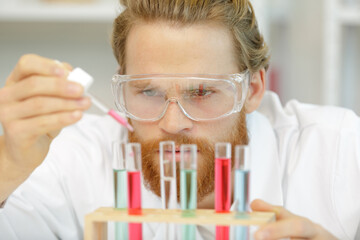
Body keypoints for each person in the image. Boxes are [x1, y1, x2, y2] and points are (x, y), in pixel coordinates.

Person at [0, 0, 359, 239]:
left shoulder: (337, 152)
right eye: (149, 92)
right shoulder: (69, 157)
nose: (172, 124)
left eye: (201, 93)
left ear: (252, 90)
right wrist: (7, 165)